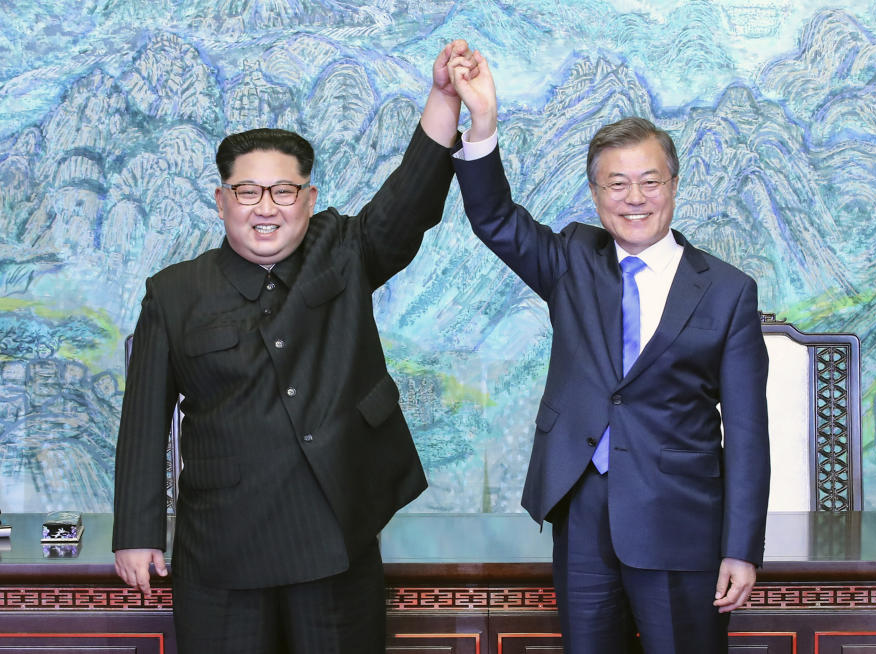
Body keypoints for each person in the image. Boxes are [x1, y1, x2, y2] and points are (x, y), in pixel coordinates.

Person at [112, 41, 476, 654]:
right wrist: (135, 533)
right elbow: (143, 423)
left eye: (284, 193)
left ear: (308, 199)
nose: (265, 209)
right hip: (221, 545)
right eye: (247, 192)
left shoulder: (344, 251)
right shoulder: (173, 293)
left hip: (335, 535)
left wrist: (443, 98)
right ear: (221, 199)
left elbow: (409, 202)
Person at [447, 52, 770, 653]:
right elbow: (493, 217)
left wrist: (741, 547)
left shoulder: (727, 291)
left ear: (673, 185)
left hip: (682, 522)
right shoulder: (572, 260)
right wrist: (484, 122)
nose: (634, 198)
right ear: (595, 193)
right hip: (583, 510)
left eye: (650, 181)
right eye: (616, 184)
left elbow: (749, 434)